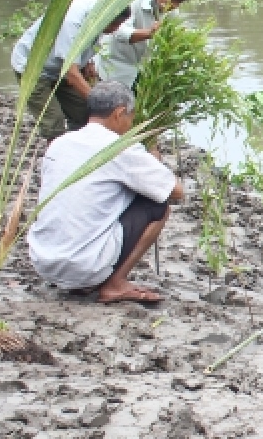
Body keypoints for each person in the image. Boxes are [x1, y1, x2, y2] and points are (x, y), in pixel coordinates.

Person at [28, 81, 183, 305]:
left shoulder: (59, 143)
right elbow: (175, 191)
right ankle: (114, 285)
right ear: (119, 114)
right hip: (82, 265)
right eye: (131, 118)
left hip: (44, 261)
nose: (131, 125)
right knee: (157, 205)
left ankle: (85, 278)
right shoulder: (119, 148)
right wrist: (152, 159)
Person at [10, 0, 132, 138]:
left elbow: (84, 45)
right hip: (32, 67)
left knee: (85, 114)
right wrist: (102, 104)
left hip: (60, 68)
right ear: (105, 18)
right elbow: (72, 75)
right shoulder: (72, 22)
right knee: (54, 123)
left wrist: (88, 61)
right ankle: (57, 156)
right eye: (114, 25)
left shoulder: (99, 11)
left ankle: (80, 152)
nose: (115, 29)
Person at [97, 0, 195, 89]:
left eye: (179, 3)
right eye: (174, 0)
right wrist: (149, 33)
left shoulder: (171, 10)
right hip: (115, 67)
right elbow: (119, 31)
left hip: (143, 69)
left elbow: (173, 40)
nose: (175, 6)